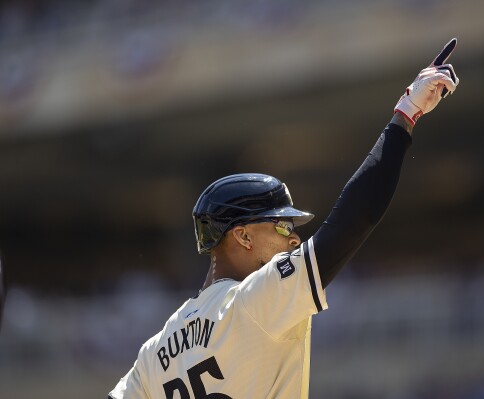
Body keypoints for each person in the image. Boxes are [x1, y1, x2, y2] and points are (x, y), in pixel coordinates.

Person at [109, 38, 460, 399]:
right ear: (243, 236)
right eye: (281, 226)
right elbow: (355, 218)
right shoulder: (252, 301)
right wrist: (405, 114)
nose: (293, 240)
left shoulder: (155, 353)